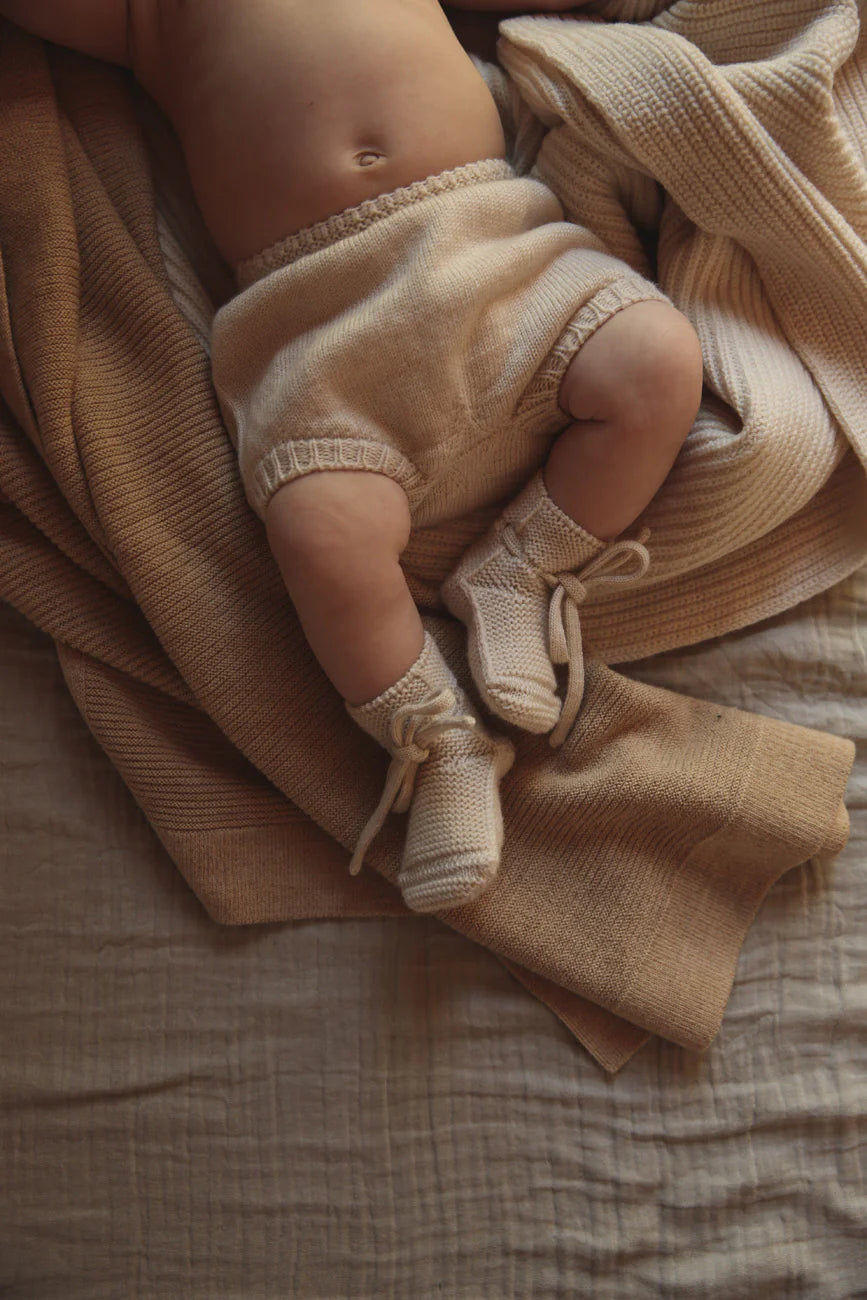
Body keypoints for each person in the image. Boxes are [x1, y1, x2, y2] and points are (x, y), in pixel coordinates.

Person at [0, 0, 704, 913]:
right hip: (319, 320)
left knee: (655, 361)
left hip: (489, 246)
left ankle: (517, 570)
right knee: (319, 531)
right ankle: (439, 739)